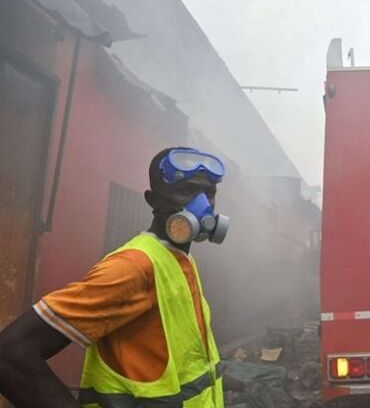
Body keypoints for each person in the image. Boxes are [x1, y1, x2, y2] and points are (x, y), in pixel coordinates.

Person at [0, 147, 230, 408]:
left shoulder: (181, 260)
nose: (203, 206)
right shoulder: (133, 267)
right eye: (186, 191)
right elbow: (10, 355)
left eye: (209, 193)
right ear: (153, 200)